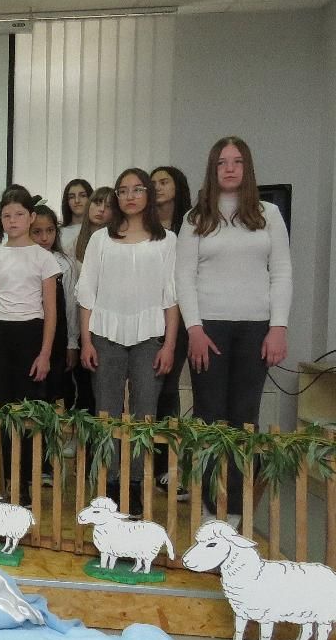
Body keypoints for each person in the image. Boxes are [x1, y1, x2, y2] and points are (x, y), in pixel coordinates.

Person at [176, 137, 291, 525]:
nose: (230, 168)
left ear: (247, 167)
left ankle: (236, 516)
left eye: (237, 161)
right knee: (210, 420)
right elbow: (184, 278)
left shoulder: (268, 214)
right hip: (208, 330)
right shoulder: (195, 218)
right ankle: (211, 513)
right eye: (223, 162)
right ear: (213, 168)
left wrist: (278, 328)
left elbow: (282, 273)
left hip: (256, 329)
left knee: (245, 421)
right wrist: (193, 328)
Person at [76, 169, 177, 513]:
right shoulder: (101, 239)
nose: (130, 196)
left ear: (148, 194)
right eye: (123, 191)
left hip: (151, 335)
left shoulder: (168, 240)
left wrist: (169, 345)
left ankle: (136, 484)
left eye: (137, 189)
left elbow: (171, 298)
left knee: (145, 412)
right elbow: (86, 293)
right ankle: (108, 482)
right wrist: (86, 341)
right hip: (105, 334)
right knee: (107, 411)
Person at [0, 189, 59, 504]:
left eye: (19, 214)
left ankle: (23, 483)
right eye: (7, 216)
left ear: (31, 217)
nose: (13, 221)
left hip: (30, 336)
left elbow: (51, 311)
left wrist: (45, 353)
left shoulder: (44, 258)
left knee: (26, 414)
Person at [150, 165, 193, 496]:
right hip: (147, 316)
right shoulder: (143, 226)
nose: (157, 188)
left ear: (177, 187)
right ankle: (142, 467)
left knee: (167, 391)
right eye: (153, 184)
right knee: (146, 393)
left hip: (183, 316)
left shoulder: (191, 225)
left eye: (163, 182)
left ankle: (168, 468)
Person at [69, 185, 113, 413]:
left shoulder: (117, 241)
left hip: (106, 323)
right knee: (84, 387)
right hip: (79, 322)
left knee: (105, 390)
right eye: (97, 203)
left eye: (108, 205)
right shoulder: (74, 243)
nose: (101, 209)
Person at [31, 205, 79, 411]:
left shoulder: (64, 263)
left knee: (56, 389)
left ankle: (54, 441)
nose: (44, 237)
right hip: (29, 333)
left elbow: (70, 306)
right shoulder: (21, 260)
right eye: (37, 231)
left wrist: (72, 343)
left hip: (58, 337)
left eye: (50, 230)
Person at [59, 178, 93, 258]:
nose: (77, 200)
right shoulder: (58, 233)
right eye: (71, 197)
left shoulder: (98, 231)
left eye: (82, 196)